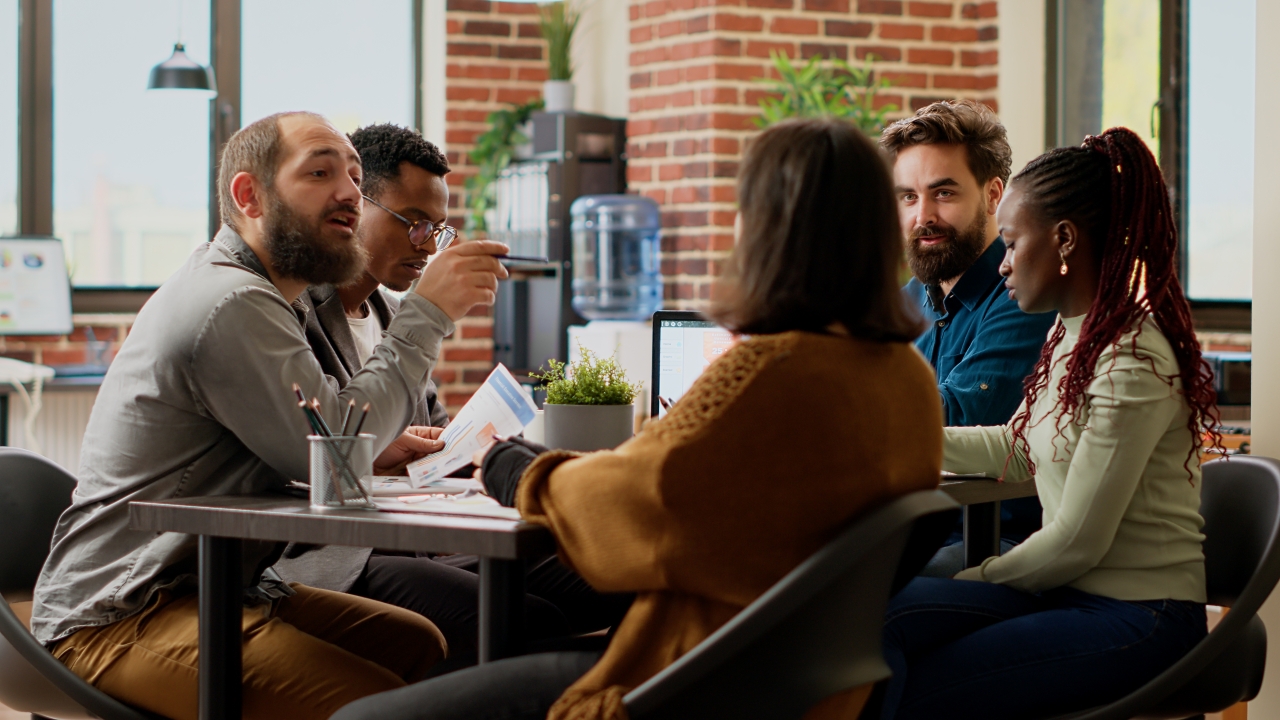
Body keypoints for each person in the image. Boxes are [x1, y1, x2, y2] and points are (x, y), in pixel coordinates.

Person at [333, 118, 944, 720]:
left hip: (689, 685)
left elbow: (641, 507)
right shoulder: (908, 380)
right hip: (798, 688)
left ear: (764, 229)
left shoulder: (768, 374)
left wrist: (525, 474)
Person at [30, 111, 511, 720]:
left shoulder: (267, 299)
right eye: (320, 172)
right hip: (121, 610)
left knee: (420, 644)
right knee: (384, 706)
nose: (347, 193)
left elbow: (324, 460)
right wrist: (428, 313)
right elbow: (342, 440)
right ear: (249, 196)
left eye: (355, 178)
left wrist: (372, 453)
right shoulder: (229, 300)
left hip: (221, 588)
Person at [877, 128, 1218, 720]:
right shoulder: (1071, 331)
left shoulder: (1131, 356)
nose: (1003, 263)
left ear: (1063, 240)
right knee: (876, 625)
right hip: (1072, 592)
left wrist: (975, 575)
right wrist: (886, 442)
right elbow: (1018, 449)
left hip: (1140, 614)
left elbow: (1077, 541)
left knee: (915, 676)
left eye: (1011, 243)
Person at [273, 123, 626, 671]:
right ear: (355, 204)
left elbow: (432, 438)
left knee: (612, 576)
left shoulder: (391, 315)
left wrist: (467, 449)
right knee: (534, 621)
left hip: (413, 537)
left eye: (436, 229)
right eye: (412, 222)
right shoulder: (294, 314)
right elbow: (312, 451)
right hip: (336, 554)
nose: (425, 245)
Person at [881, 99, 1057, 563]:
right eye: (908, 197)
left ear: (993, 194)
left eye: (944, 193)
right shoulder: (905, 301)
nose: (923, 217)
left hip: (993, 540)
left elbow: (960, 416)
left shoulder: (1024, 298)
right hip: (909, 526)